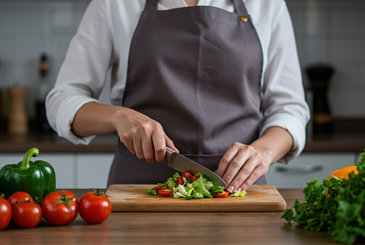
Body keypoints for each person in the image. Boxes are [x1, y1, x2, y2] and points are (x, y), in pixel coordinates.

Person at [46, 0, 310, 193]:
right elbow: (61, 100)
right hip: (138, 193)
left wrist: (262, 153)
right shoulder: (115, 4)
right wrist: (119, 116)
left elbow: (290, 109)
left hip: (237, 194)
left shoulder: (267, 5)